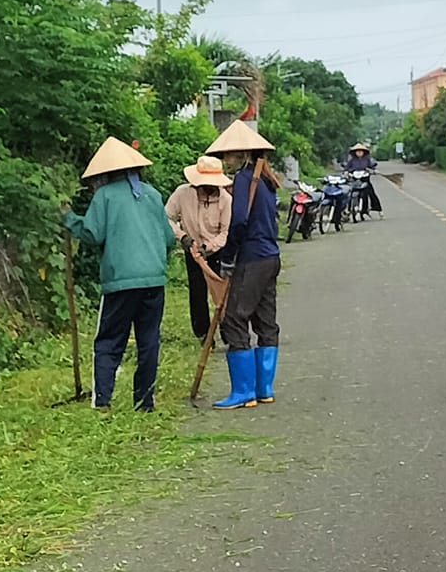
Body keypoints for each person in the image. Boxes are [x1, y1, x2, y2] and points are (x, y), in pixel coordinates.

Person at [64, 138, 180, 411]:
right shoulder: (151, 194)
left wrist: (69, 219)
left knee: (109, 340)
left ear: (104, 174)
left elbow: (93, 233)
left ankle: (103, 401)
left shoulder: (105, 196)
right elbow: (167, 237)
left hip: (120, 281)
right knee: (149, 340)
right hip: (154, 278)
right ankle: (144, 402)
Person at [206, 121, 283, 408]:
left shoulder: (243, 179)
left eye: (229, 155)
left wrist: (228, 256)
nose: (226, 161)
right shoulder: (266, 180)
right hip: (271, 256)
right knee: (265, 321)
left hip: (251, 258)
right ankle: (264, 389)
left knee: (235, 318)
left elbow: (239, 221)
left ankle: (243, 392)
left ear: (243, 154)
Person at [165, 155, 233, 340]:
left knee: (222, 293)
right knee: (197, 291)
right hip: (193, 250)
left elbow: (226, 232)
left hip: (217, 251)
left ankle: (228, 330)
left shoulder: (226, 200)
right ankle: (203, 334)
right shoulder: (182, 193)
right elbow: (166, 217)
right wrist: (182, 236)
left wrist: (209, 247)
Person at [344, 142, 383, 214]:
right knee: (349, 192)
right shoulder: (352, 160)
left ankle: (377, 208)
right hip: (354, 179)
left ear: (363, 152)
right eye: (357, 151)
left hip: (365, 178)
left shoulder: (367, 159)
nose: (359, 153)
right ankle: (348, 209)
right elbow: (346, 168)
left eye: (360, 151)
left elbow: (371, 166)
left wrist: (374, 171)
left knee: (371, 192)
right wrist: (346, 172)